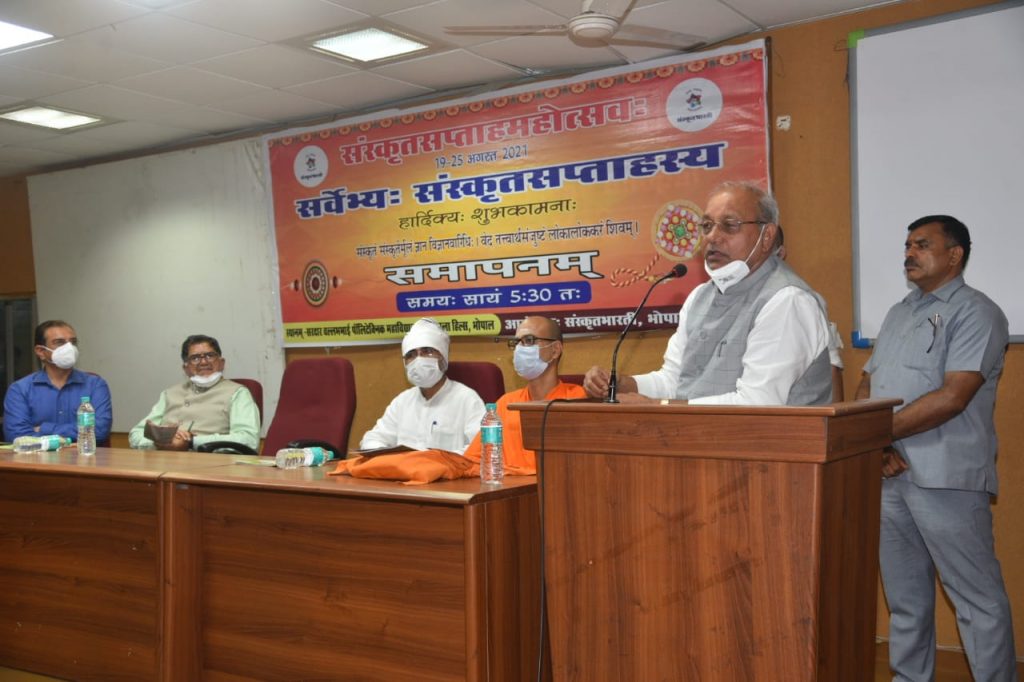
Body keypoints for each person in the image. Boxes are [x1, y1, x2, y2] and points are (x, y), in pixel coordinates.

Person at [855, 215, 1015, 681]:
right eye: (907, 245)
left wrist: (877, 435)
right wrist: (875, 444)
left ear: (954, 255)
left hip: (947, 478)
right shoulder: (898, 312)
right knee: (905, 601)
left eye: (922, 245)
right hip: (889, 474)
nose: (910, 253)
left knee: (976, 601)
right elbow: (868, 383)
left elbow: (953, 396)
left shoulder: (978, 312)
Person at [584, 181, 831, 405]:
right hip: (700, 437)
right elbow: (675, 381)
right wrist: (621, 384)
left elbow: (758, 403)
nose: (712, 237)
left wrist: (658, 407)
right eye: (706, 226)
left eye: (729, 225)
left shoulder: (787, 300)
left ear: (766, 237)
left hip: (769, 441)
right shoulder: (699, 297)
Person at [464, 315, 586, 473]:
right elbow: (473, 461)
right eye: (517, 343)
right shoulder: (506, 404)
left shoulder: (578, 400)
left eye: (529, 340)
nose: (519, 349)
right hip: (510, 487)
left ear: (555, 350)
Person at [359, 318, 484, 454]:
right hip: (403, 467)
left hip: (447, 467)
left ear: (443, 357)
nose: (419, 359)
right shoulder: (402, 401)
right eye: (411, 355)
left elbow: (481, 448)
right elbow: (373, 439)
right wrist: (382, 454)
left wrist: (435, 460)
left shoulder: (467, 399)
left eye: (427, 351)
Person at [128, 334, 260, 452]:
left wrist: (191, 442)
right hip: (163, 462)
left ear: (221, 363)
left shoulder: (238, 393)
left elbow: (249, 440)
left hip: (210, 464)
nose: (203, 362)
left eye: (210, 356)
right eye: (195, 358)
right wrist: (161, 443)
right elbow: (136, 434)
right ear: (186, 368)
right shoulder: (169, 394)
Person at [3, 320, 112, 443]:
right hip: (38, 456)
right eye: (59, 342)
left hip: (84, 454)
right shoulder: (20, 389)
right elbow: (17, 435)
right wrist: (66, 436)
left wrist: (44, 428)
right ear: (40, 351)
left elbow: (100, 430)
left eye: (73, 342)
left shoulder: (95, 385)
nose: (69, 348)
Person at [775, 224, 846, 401]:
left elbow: (831, 366)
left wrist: (835, 418)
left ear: (780, 253)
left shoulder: (802, 299)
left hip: (791, 411)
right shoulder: (718, 298)